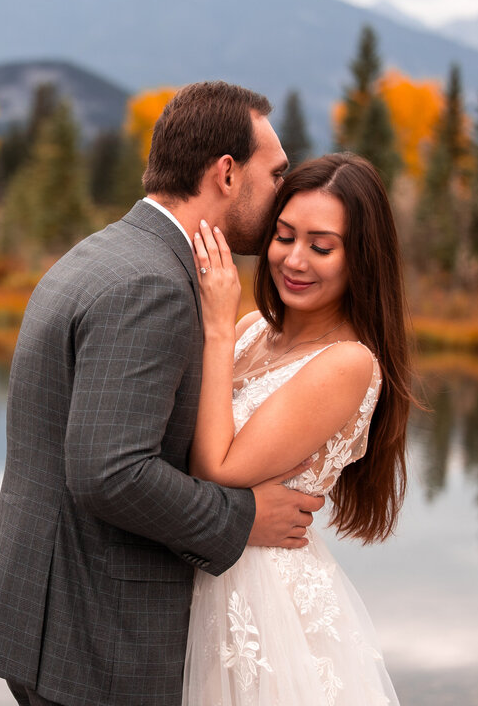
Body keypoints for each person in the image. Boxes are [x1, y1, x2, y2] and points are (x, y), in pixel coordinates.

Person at [0, 81, 326, 706]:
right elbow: (110, 473)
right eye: (276, 175)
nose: (282, 195)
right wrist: (243, 520)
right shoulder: (152, 285)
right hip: (99, 637)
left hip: (53, 617)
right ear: (227, 173)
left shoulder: (107, 254)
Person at [183, 152, 413, 705]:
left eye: (322, 246)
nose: (295, 260)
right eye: (285, 236)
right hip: (204, 566)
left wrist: (214, 326)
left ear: (361, 258)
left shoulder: (348, 363)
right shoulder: (251, 329)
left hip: (260, 599)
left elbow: (218, 468)